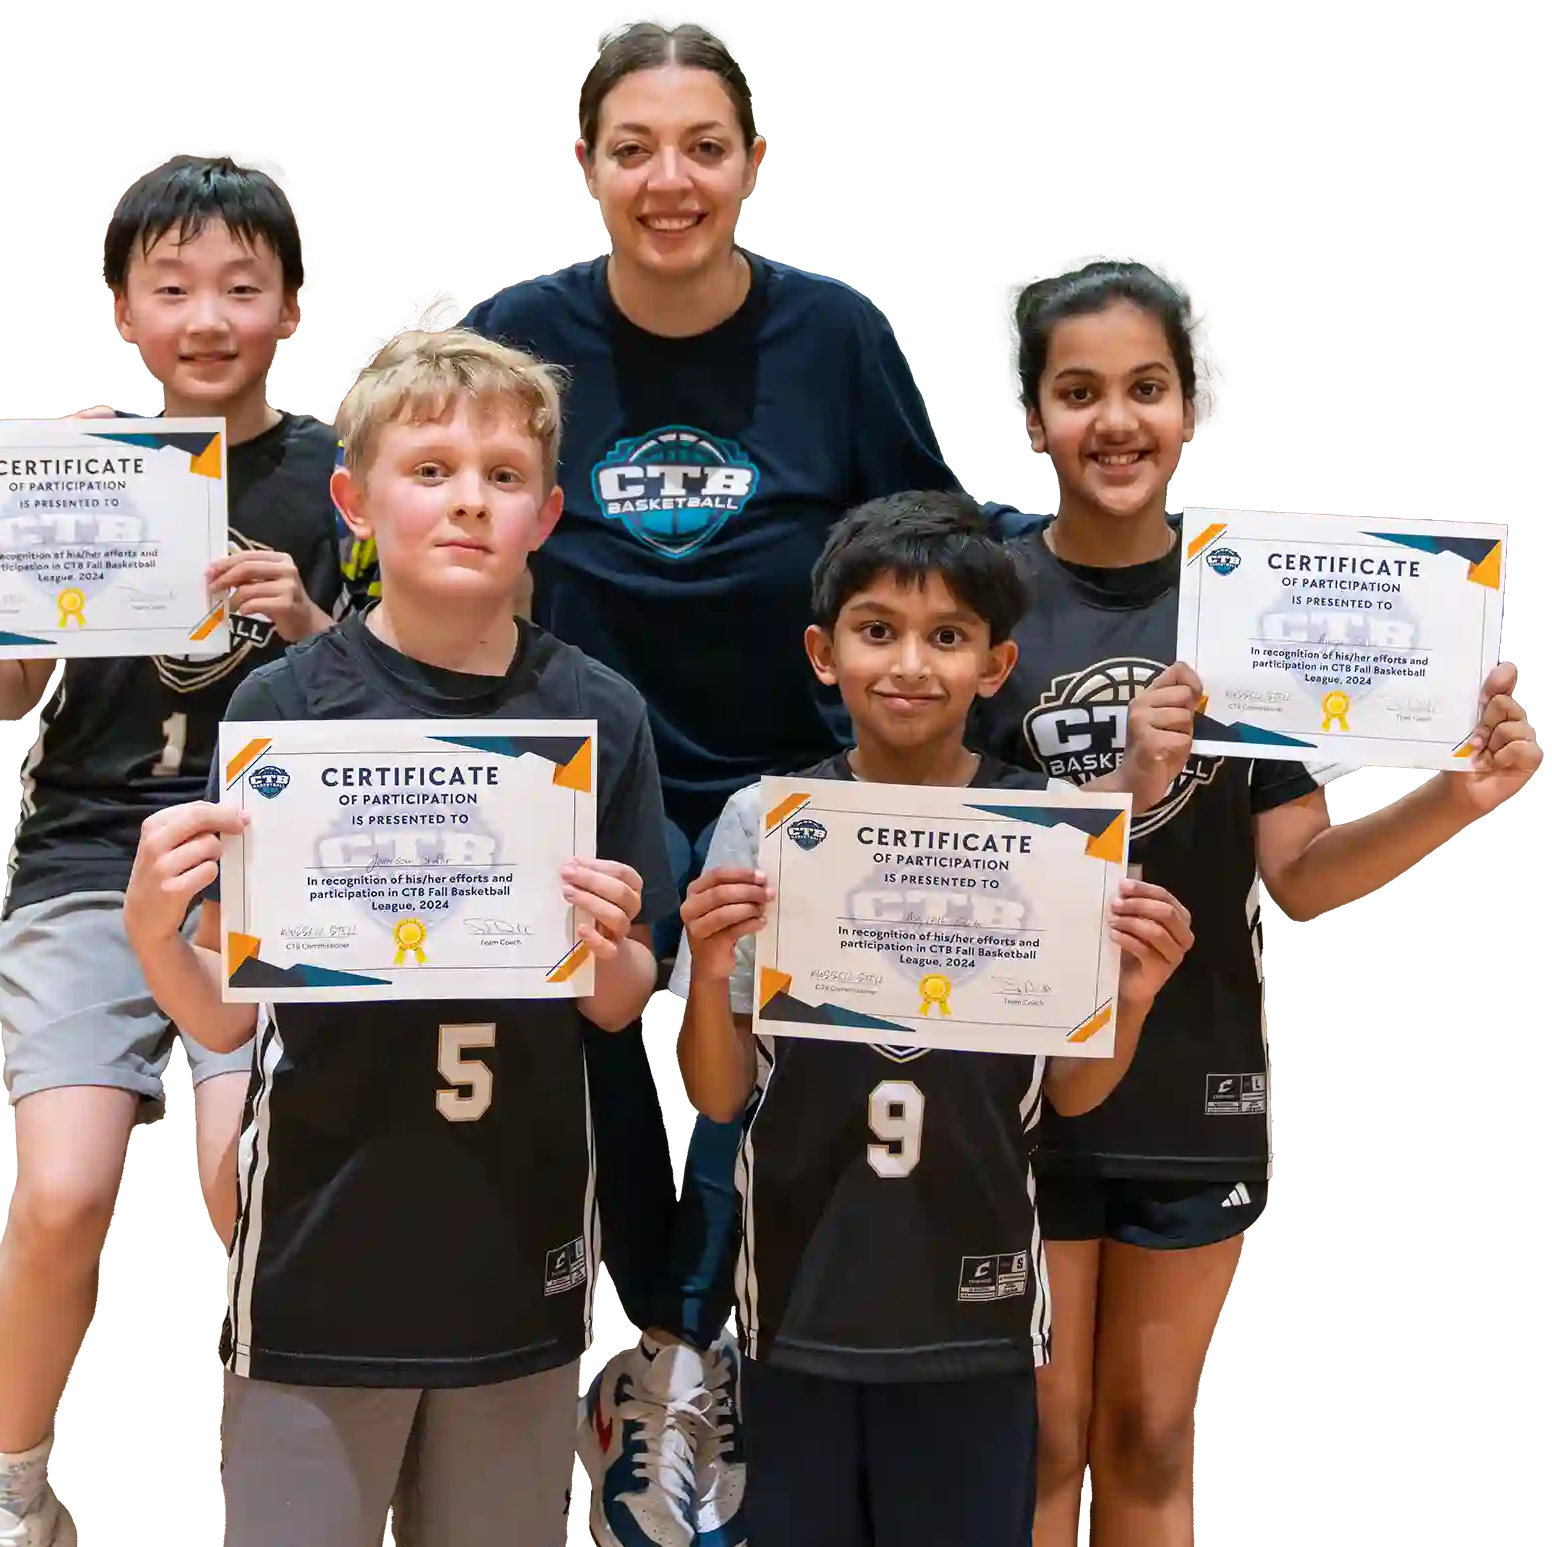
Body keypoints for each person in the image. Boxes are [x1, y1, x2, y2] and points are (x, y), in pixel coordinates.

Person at [463, 23, 958, 1544]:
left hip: (787, 783)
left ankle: (730, 1348)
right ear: (586, 167)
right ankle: (629, 1359)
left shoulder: (836, 336)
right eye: (633, 149)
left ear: (752, 165)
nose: (667, 180)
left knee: (759, 1091)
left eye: (700, 147)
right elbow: (440, 529)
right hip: (581, 774)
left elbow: (931, 540)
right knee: (604, 1060)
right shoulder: (514, 334)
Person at [966, 265, 1545, 1547]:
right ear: (1030, 423)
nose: (1113, 421)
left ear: (1184, 408)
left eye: (1145, 388)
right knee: (1042, 1441)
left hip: (1195, 1076)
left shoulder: (1245, 599)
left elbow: (1299, 873)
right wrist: (1126, 776)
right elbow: (966, 854)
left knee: (1148, 1438)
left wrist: (1460, 800)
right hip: (1018, 1086)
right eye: (1076, 393)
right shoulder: (984, 601)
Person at [0, 158, 375, 1547]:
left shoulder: (340, 480)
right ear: (119, 309)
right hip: (87, 859)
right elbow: (15, 704)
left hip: (272, 874)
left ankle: (279, 1483)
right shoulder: (64, 464)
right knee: (62, 1190)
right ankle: (9, 1488)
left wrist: (302, 625)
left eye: (239, 285)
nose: (206, 316)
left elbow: (391, 705)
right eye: (170, 288)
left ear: (289, 303)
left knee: (247, 1184)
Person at [119, 326, 676, 1547]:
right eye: (429, 469)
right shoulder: (281, 708)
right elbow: (224, 1011)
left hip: (517, 1241)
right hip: (323, 1243)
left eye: (502, 474)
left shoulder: (596, 710)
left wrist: (604, 945)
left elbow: (625, 999)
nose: (467, 498)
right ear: (354, 501)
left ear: (546, 511)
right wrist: (154, 933)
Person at [671, 491, 1195, 1546]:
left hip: (977, 1304)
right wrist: (715, 956)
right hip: (798, 1299)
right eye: (877, 631)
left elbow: (1074, 1092)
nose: (909, 662)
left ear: (993, 666)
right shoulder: (761, 820)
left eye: (946, 636)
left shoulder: (1052, 833)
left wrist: (1131, 998)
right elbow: (717, 1093)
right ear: (823, 651)